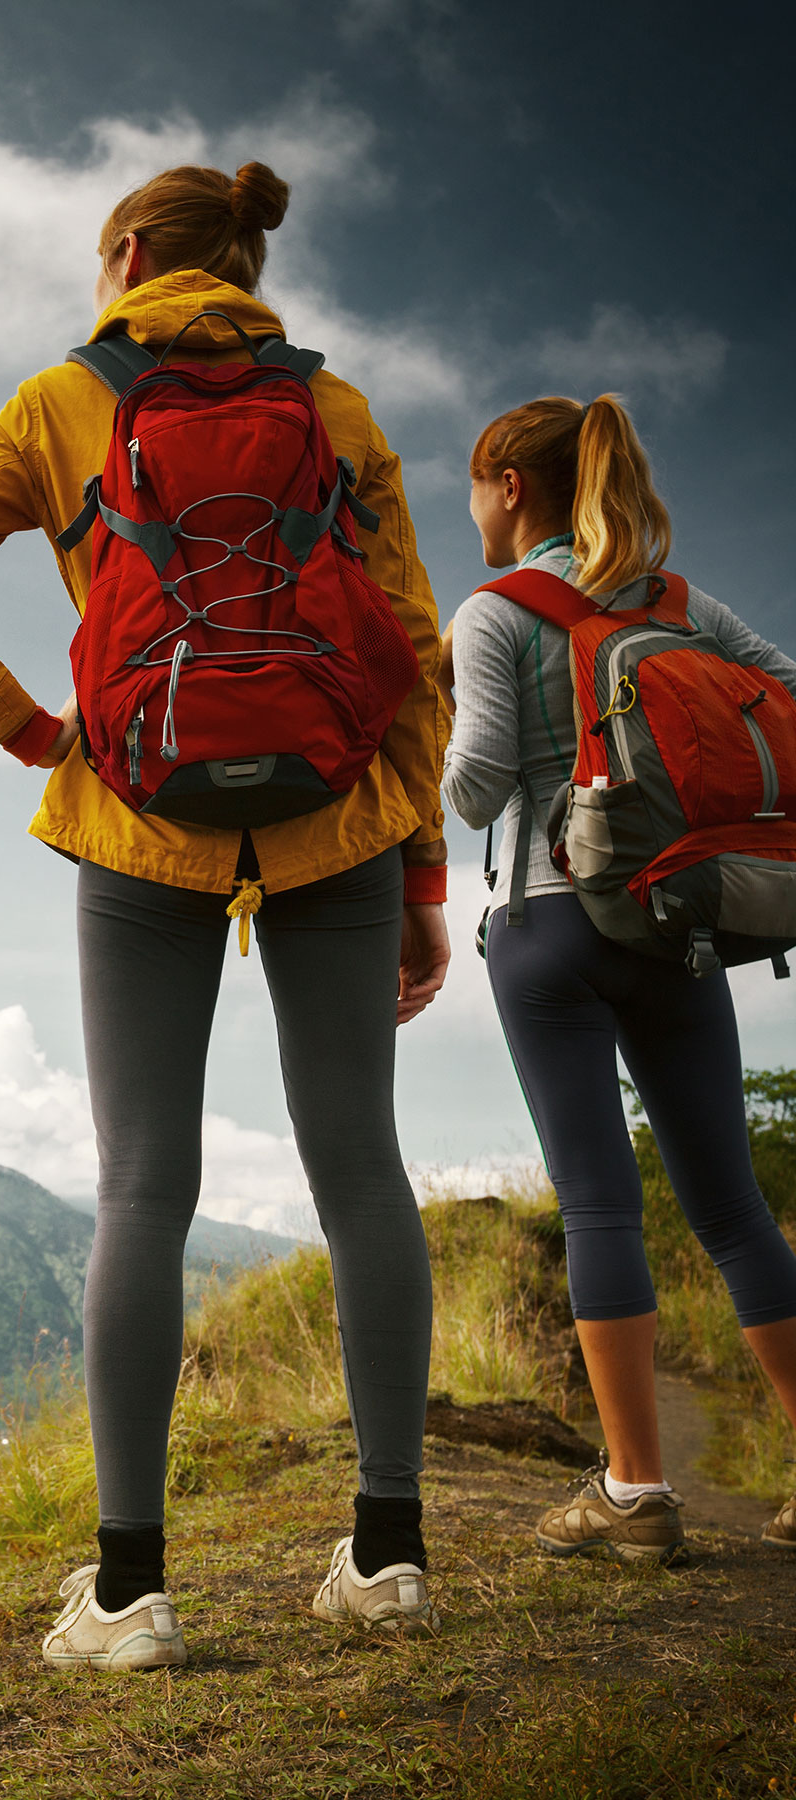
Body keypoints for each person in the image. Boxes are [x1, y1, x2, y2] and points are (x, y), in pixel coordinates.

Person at [0, 161, 453, 1665]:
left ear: (125, 256)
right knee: (362, 1173)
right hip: (339, 823)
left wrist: (32, 731)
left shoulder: (61, 401)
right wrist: (422, 871)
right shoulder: (336, 410)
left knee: (142, 1187)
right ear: (246, 264)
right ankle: (389, 1560)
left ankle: (129, 1595)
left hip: (137, 818)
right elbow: (417, 650)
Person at [442, 393, 796, 1561]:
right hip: (677, 924)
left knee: (600, 1204)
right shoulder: (684, 605)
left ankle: (636, 1493)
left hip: (553, 930)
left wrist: (439, 722)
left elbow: (480, 788)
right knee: (734, 1208)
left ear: (509, 485)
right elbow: (783, 700)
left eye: (475, 488)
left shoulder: (494, 612)